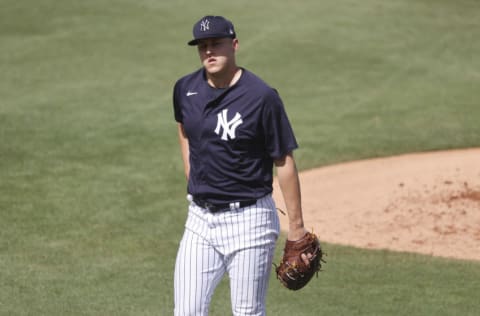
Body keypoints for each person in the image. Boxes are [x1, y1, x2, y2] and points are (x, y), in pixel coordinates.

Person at [172, 15, 314, 316]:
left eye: (216, 44)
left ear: (234, 45)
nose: (209, 51)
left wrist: (297, 228)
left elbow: (283, 160)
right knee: (186, 311)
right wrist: (191, 172)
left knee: (247, 312)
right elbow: (183, 127)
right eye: (202, 46)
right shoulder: (185, 88)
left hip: (250, 221)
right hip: (200, 221)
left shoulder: (261, 97)